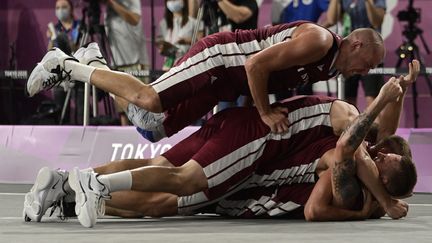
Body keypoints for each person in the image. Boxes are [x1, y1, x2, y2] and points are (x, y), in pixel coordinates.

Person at [23, 64, 419, 226]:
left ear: (382, 176)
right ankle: (86, 190)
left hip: (239, 132)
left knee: (153, 155)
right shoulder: (345, 151)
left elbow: (372, 145)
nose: (379, 151)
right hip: (247, 153)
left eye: (384, 159)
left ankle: (66, 183)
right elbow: (348, 160)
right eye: (381, 151)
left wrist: (394, 96)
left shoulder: (350, 161)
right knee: (167, 191)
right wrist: (381, 206)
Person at [26, 21, 385, 142]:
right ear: (356, 44)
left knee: (152, 128)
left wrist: (262, 107)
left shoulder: (333, 67)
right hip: (221, 59)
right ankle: (66, 64)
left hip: (228, 84)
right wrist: (264, 112)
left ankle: (94, 61)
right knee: (150, 99)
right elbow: (256, 65)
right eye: (367, 64)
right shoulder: (320, 41)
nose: (366, 73)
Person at [327, 0, 386, 107]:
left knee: (373, 99)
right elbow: (331, 19)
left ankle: (374, 124)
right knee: (346, 102)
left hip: (370, 54)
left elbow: (376, 21)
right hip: (350, 55)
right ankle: (352, 124)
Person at [101, 0, 150, 125]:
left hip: (135, 61)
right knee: (122, 108)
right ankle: (125, 134)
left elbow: (134, 19)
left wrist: (112, 3)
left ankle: (142, 138)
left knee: (140, 107)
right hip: (117, 62)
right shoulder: (108, 8)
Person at [47, 0, 83, 125]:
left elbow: (80, 49)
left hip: (78, 73)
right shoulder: (55, 28)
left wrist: (66, 41)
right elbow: (50, 52)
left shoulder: (80, 26)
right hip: (60, 75)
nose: (60, 10)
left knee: (81, 112)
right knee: (60, 111)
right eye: (57, 7)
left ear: (71, 8)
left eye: (64, 7)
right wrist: (52, 38)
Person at [158, 0, 203, 71]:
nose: (173, 1)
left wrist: (188, 41)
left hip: (187, 66)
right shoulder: (163, 24)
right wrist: (162, 48)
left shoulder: (194, 23)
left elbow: (202, 44)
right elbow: (161, 46)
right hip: (168, 67)